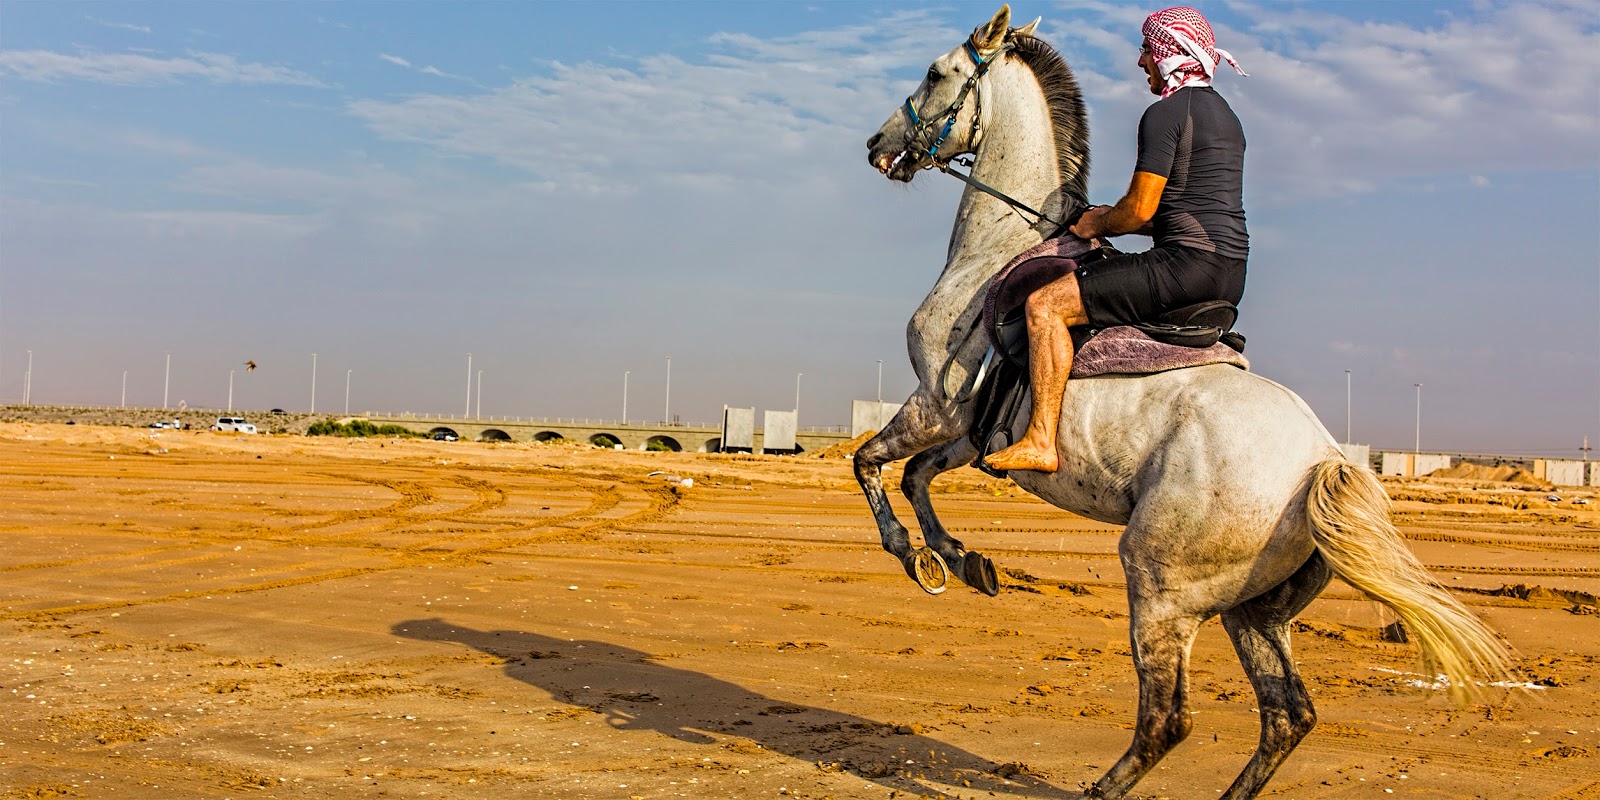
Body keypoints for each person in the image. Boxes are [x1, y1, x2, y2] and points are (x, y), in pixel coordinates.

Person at [983, 6, 1250, 474]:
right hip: (1229, 274)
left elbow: (1140, 211)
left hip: (1183, 268)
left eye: (1147, 48)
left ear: (1171, 52)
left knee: (1044, 306)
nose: (1142, 61)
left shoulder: (1165, 113)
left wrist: (1093, 225)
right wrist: (1111, 216)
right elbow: (1177, 212)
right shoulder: (1227, 118)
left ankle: (1041, 439)